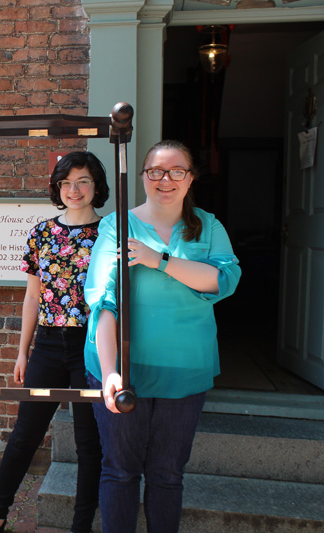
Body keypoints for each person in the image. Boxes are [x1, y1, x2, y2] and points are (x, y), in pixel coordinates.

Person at [83, 140, 241, 532]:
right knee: (119, 471)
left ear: (190, 179)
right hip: (124, 371)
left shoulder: (209, 226)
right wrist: (109, 372)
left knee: (167, 474)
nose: (164, 179)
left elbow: (223, 279)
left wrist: (159, 260)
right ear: (142, 176)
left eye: (176, 171)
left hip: (184, 371)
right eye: (155, 170)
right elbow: (103, 301)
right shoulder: (116, 225)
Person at [0, 151, 109, 533]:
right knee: (25, 434)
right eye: (66, 182)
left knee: (89, 444)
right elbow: (32, 296)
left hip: (92, 346)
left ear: (96, 186)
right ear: (57, 187)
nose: (74, 189)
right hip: (49, 346)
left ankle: (80, 526)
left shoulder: (111, 234)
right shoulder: (41, 232)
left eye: (83, 181)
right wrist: (23, 351)